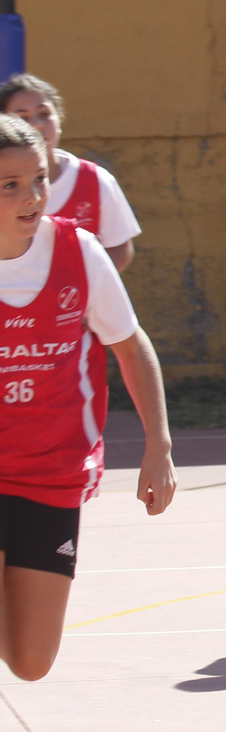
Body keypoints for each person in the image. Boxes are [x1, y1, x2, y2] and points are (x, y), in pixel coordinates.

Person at [0, 114, 176, 680]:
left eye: (38, 179)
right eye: (10, 185)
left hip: (50, 471)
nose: (31, 196)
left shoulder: (78, 251)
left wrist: (158, 447)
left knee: (31, 662)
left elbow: (131, 345)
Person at [1, 74, 141, 271]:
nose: (37, 124)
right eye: (23, 118)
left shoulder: (94, 179)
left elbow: (120, 247)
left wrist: (79, 280)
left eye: (44, 113)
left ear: (59, 117)